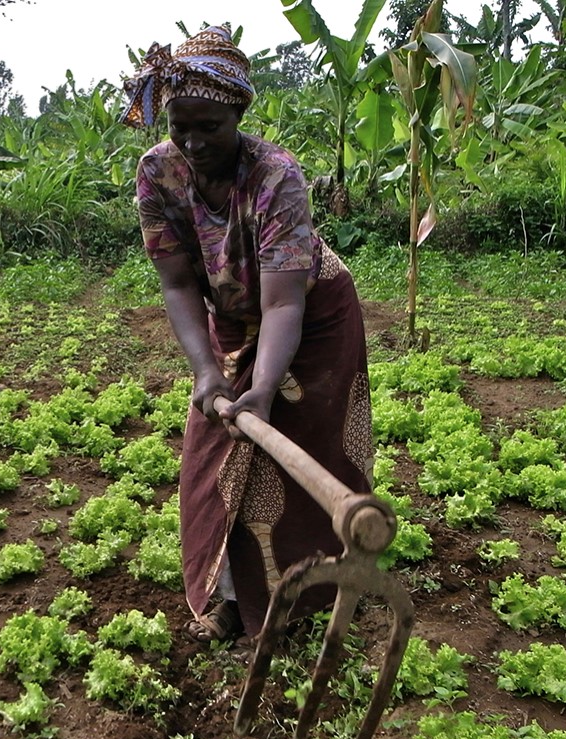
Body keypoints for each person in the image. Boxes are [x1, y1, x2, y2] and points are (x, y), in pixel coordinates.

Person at [121, 25, 374, 643]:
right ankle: (226, 596)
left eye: (210, 125)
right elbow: (179, 285)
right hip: (231, 318)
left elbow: (284, 298)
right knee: (213, 459)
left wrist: (262, 388)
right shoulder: (158, 172)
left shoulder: (275, 176)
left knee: (304, 446)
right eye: (180, 123)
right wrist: (208, 372)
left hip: (311, 316)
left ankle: (310, 590)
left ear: (237, 113)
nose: (193, 140)